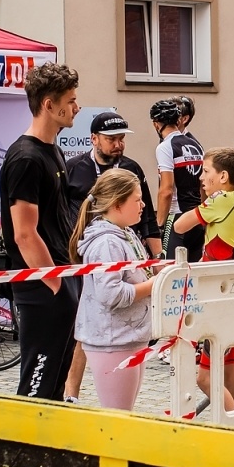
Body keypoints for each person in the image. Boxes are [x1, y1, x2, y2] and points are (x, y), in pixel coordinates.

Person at [0, 63, 82, 401]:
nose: (76, 107)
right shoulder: (26, 158)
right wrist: (57, 286)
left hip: (62, 273)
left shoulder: (53, 151)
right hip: (42, 284)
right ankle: (24, 450)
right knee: (38, 382)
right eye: (71, 100)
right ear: (49, 104)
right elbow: (24, 234)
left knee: (57, 385)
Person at [71, 170, 157, 411]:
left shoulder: (125, 233)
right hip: (113, 340)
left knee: (123, 412)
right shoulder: (107, 243)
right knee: (118, 416)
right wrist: (153, 285)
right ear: (118, 204)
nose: (143, 205)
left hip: (129, 336)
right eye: (137, 200)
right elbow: (111, 294)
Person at [175, 146, 234, 411]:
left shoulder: (220, 201)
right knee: (229, 370)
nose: (201, 178)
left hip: (219, 297)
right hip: (231, 292)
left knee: (205, 378)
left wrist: (204, 204)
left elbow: (179, 225)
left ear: (223, 177)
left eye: (206, 172)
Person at [64, 111, 159, 255]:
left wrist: (158, 257)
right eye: (111, 139)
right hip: (82, 250)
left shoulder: (132, 168)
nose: (118, 145)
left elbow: (148, 216)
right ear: (94, 139)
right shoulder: (73, 167)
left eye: (121, 138)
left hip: (126, 248)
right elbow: (61, 213)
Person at [152, 98, 205, 262]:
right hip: (197, 217)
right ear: (177, 120)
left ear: (156, 124)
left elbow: (166, 190)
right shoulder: (196, 145)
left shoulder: (165, 147)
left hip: (177, 217)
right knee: (193, 272)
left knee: (170, 272)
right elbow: (203, 184)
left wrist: (159, 224)